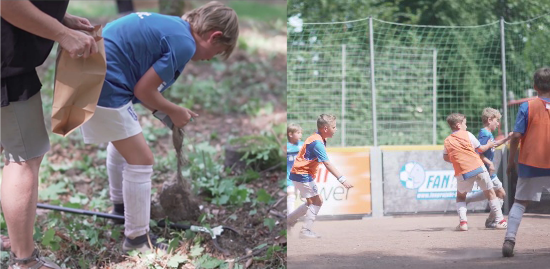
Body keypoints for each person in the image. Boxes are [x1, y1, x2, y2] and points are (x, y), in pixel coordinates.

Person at [79, 1, 239, 254]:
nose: (209, 59)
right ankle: (137, 240)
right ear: (214, 35)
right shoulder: (185, 44)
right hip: (104, 81)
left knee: (122, 143)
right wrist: (174, 111)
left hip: (90, 70)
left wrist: (166, 109)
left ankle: (120, 210)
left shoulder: (175, 27)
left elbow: (141, 83)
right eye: (216, 52)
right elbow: (143, 91)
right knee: (142, 159)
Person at [0, 1, 98, 268]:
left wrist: (59, 17)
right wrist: (62, 33)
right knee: (25, 157)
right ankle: (25, 261)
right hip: (5, 65)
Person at [502, 67, 550, 257]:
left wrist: (511, 160)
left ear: (534, 86)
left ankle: (509, 240)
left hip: (531, 161)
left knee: (520, 202)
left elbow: (515, 137)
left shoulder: (527, 106)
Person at [286, 114, 353, 239]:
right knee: (318, 201)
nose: (336, 129)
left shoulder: (317, 138)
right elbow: (327, 163)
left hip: (300, 174)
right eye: (334, 127)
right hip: (302, 174)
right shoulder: (317, 143)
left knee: (310, 202)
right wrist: (342, 179)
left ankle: (289, 220)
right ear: (325, 129)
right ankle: (305, 230)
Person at [443, 113, 507, 231]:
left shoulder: (447, 141)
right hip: (479, 167)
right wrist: (489, 144)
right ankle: (500, 221)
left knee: (461, 197)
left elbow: (446, 157)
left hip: (463, 171)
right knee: (491, 193)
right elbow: (481, 149)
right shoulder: (467, 134)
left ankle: (463, 223)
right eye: (465, 124)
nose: (466, 126)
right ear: (458, 125)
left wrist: (457, 159)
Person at [464, 108, 511, 228]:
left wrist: (506, 139)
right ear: (490, 120)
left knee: (493, 192)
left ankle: (470, 202)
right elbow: (478, 152)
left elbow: (492, 145)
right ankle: (493, 220)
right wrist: (489, 163)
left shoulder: (488, 133)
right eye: (497, 120)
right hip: (484, 169)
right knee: (499, 193)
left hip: (486, 170)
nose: (498, 123)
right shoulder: (484, 134)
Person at [286, 123, 303, 214]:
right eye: (298, 132)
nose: (301, 135)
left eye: (301, 133)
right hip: (289, 177)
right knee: (291, 196)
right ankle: (291, 217)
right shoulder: (286, 147)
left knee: (306, 197)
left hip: (301, 177)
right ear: (290, 134)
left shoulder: (302, 145)